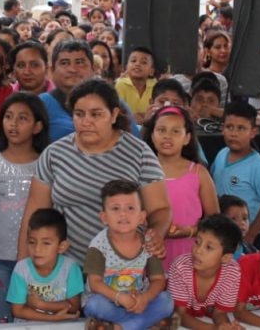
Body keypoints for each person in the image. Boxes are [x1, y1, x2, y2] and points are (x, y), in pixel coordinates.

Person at [19, 79, 169, 266]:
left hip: (122, 269)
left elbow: (160, 209)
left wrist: (156, 235)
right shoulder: (54, 154)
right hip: (66, 268)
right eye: (79, 114)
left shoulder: (139, 153)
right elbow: (34, 215)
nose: (86, 122)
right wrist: (23, 268)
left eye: (96, 114)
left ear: (114, 115)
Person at [0, 93, 48, 324]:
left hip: (37, 260)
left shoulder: (45, 164)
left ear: (37, 126)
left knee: (35, 321)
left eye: (22, 118)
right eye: (8, 117)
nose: (13, 124)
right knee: (1, 321)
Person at [82, 180, 174, 329]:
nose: (123, 214)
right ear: (104, 217)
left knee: (167, 301)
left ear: (142, 217)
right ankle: (138, 324)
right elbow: (95, 283)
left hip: (138, 301)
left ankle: (121, 326)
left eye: (130, 208)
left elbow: (158, 279)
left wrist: (145, 298)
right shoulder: (98, 245)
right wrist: (120, 298)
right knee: (94, 305)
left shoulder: (149, 242)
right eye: (115, 208)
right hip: (109, 301)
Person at [141, 106, 218, 267]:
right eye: (161, 130)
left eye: (175, 131)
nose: (167, 136)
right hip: (149, 253)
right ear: (152, 135)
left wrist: (190, 231)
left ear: (187, 138)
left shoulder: (198, 173)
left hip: (190, 254)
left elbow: (215, 220)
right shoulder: (141, 171)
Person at [40, 40, 138, 142]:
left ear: (93, 68)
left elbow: (134, 143)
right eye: (64, 63)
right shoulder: (42, 103)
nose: (73, 69)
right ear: (52, 70)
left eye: (79, 62)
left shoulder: (114, 102)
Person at [210, 100, 260, 242]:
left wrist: (251, 235)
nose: (234, 133)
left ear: (253, 132)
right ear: (222, 128)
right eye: (229, 127)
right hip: (222, 233)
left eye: (241, 128)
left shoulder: (258, 165)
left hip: (246, 235)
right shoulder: (221, 154)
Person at [6, 208, 83, 323]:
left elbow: (74, 306)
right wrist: (52, 318)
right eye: (32, 242)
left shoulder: (70, 268)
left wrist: (41, 304)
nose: (37, 249)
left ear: (62, 246)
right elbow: (17, 311)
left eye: (46, 243)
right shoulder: (21, 269)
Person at [167, 214, 243, 329]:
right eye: (197, 242)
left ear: (226, 258)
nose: (198, 251)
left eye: (209, 247)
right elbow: (179, 314)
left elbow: (219, 313)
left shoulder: (232, 272)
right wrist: (213, 328)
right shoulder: (180, 268)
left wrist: (225, 326)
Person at [116, 47, 157, 124]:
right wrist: (130, 118)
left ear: (151, 71)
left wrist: (145, 116)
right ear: (126, 67)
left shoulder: (155, 86)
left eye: (144, 62)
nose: (137, 64)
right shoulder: (121, 84)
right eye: (133, 61)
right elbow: (116, 112)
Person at [219, 195, 257, 259]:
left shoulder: (251, 251)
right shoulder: (216, 251)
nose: (242, 223)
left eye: (244, 218)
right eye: (233, 219)